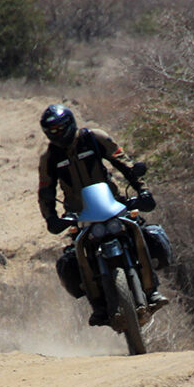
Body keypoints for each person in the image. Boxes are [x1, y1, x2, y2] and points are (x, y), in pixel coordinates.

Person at [37, 103, 169, 326]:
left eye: (62, 128)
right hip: (80, 215)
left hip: (112, 204)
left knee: (142, 233)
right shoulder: (49, 158)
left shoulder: (94, 138)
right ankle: (98, 306)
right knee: (76, 257)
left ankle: (152, 289)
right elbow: (45, 191)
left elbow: (125, 162)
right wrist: (50, 217)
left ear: (70, 123)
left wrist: (142, 189)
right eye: (53, 131)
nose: (59, 134)